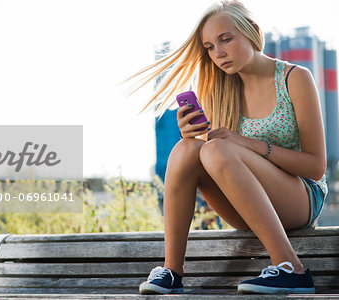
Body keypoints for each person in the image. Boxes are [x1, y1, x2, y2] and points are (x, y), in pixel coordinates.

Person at [125, 0, 328, 295]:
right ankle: (171, 271)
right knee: (185, 149)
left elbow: (315, 167)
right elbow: (217, 159)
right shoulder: (219, 89)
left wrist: (244, 142)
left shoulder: (293, 78)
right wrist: (193, 136)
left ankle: (291, 268)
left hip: (301, 198)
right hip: (245, 203)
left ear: (252, 32)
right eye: (209, 47)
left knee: (217, 149)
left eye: (226, 39)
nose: (218, 53)